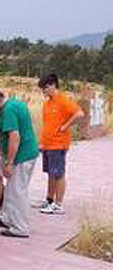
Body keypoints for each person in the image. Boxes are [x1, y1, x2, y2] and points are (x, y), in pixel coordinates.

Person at [0, 86, 40, 238]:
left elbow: (15, 136)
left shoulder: (7, 111)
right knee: (13, 190)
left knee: (16, 192)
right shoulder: (16, 103)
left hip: (22, 156)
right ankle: (8, 219)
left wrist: (9, 162)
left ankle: (20, 228)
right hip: (29, 151)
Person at [34, 74, 84, 215]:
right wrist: (42, 143)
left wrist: (66, 126)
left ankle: (58, 204)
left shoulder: (63, 100)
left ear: (53, 85)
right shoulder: (47, 103)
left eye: (45, 88)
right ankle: (49, 200)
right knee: (51, 173)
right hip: (47, 144)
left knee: (59, 174)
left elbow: (79, 114)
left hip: (58, 144)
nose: (43, 91)